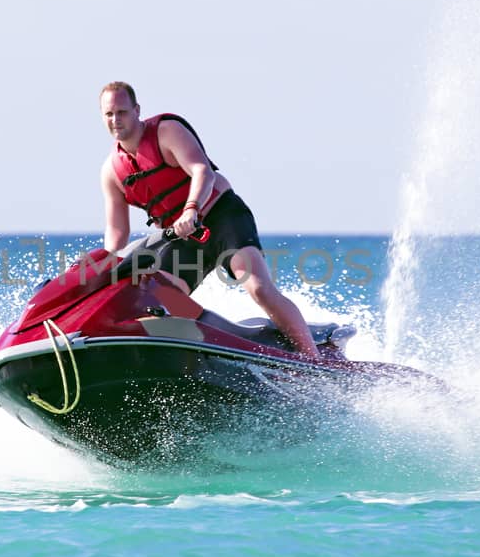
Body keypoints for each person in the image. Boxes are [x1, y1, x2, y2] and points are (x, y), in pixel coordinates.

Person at [98, 80, 320, 359]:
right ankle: (216, 351)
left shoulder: (167, 132)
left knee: (259, 288)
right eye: (109, 114)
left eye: (122, 112)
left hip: (221, 217)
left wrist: (191, 209)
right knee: (160, 296)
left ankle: (313, 359)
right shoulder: (112, 171)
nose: (116, 120)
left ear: (137, 110)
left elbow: (203, 171)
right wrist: (106, 263)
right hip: (183, 237)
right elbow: (117, 231)